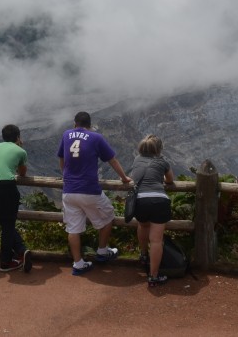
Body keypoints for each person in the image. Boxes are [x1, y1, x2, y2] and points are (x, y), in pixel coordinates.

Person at [57, 111, 131, 276]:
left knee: (73, 229)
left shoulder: (66, 134)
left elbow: (61, 158)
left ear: (74, 123)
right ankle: (102, 251)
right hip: (89, 189)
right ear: (89, 125)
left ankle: (78, 263)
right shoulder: (95, 137)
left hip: (69, 190)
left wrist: (66, 176)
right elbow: (112, 159)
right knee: (108, 216)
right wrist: (124, 178)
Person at [128, 134, 175, 287]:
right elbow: (170, 180)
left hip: (140, 201)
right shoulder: (162, 161)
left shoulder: (136, 160)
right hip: (159, 200)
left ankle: (143, 255)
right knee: (156, 240)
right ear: (159, 149)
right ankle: (153, 276)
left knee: (143, 225)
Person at [0, 124, 32, 273]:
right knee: (9, 225)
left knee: (6, 224)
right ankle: (6, 262)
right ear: (18, 137)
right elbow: (22, 173)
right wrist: (19, 147)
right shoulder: (21, 151)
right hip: (7, 188)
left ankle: (20, 250)